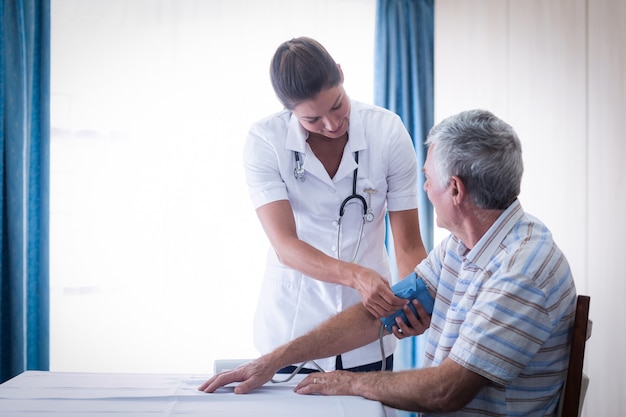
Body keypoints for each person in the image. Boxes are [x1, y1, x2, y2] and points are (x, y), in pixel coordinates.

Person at [200, 109, 578, 416]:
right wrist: (275, 359)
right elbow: (381, 312)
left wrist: (349, 382)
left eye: (427, 178)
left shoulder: (521, 270)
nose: (424, 188)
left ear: (456, 190)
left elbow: (447, 390)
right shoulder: (463, 248)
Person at [244, 36, 427, 373]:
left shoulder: (387, 132)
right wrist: (356, 276)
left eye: (337, 105)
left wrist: (417, 302)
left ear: (342, 75)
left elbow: (409, 244)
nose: (331, 124)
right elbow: (285, 245)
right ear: (290, 111)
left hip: (369, 327)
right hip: (292, 329)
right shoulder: (265, 141)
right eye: (312, 119)